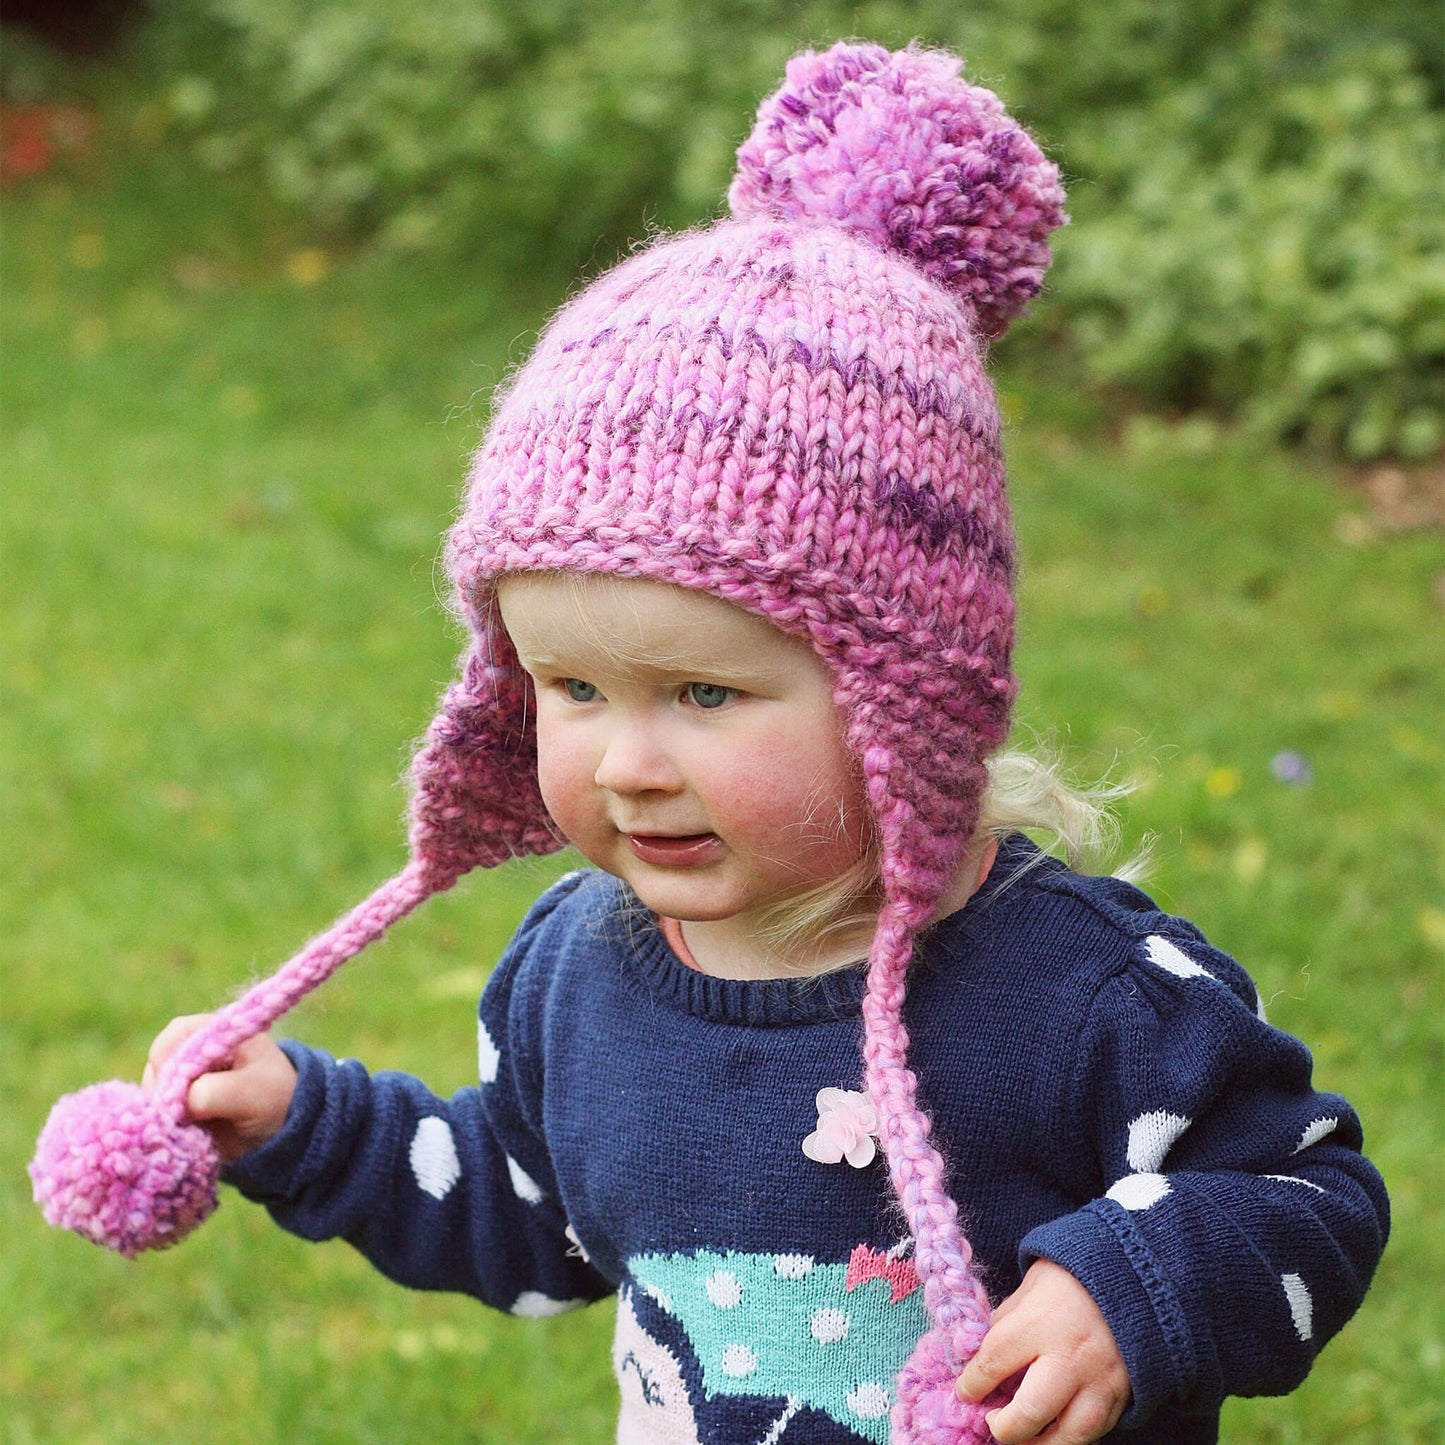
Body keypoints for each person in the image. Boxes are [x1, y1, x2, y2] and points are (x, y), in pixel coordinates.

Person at [127, 41, 1387, 1445]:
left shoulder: (1086, 997)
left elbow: (1309, 1200)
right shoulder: (574, 975)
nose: (627, 761)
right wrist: (308, 1123)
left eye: (705, 696)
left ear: (909, 694)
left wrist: (1130, 1285)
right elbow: (529, 1212)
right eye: (571, 688)